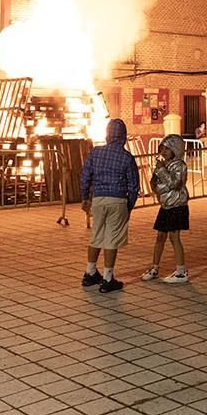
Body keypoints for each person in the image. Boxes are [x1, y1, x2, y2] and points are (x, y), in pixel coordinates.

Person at [80, 119, 140, 294]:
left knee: (96, 236)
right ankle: (107, 279)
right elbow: (134, 185)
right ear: (124, 136)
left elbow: (85, 176)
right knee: (111, 240)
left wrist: (85, 197)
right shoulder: (127, 157)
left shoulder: (95, 152)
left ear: (107, 134)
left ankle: (90, 273)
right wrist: (129, 205)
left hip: (98, 199)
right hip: (118, 200)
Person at [140, 134, 190, 283]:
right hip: (165, 205)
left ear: (176, 149)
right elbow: (154, 184)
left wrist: (162, 172)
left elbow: (174, 183)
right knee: (160, 236)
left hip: (177, 205)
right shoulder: (163, 165)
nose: (163, 152)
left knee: (174, 237)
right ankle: (154, 268)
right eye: (162, 148)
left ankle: (181, 272)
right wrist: (162, 183)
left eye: (167, 149)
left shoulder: (180, 166)